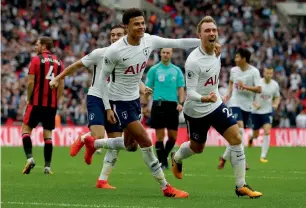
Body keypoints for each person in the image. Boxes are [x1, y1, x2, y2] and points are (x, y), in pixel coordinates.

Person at [80, 8, 213, 198]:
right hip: (119, 102)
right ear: (127, 27)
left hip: (134, 101)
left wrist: (204, 42)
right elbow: (102, 79)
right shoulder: (114, 51)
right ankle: (166, 187)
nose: (141, 26)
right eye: (137, 24)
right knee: (145, 141)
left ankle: (93, 143)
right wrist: (108, 107)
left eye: (143, 23)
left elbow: (178, 42)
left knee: (130, 145)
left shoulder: (148, 40)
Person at [170, 16, 262, 198]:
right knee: (197, 148)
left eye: (214, 30)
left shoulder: (217, 50)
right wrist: (204, 98)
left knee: (236, 137)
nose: (212, 33)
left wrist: (212, 98)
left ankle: (241, 185)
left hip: (216, 104)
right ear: (199, 35)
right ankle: (177, 157)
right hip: (196, 110)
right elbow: (191, 92)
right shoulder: (193, 61)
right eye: (207, 30)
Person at [49, 24, 150, 189]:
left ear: (126, 36)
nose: (115, 38)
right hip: (96, 96)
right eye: (112, 35)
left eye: (118, 35)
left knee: (115, 143)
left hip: (116, 100)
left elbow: (133, 77)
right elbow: (76, 66)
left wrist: (143, 87)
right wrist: (57, 78)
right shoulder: (99, 53)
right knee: (97, 135)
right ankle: (84, 139)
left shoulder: (130, 56)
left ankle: (102, 180)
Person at [22, 36, 64, 174]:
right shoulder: (59, 62)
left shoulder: (36, 60)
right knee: (48, 135)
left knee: (26, 130)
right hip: (51, 105)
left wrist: (29, 98)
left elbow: (30, 82)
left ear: (44, 46)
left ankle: (29, 159)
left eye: (37, 44)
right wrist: (55, 101)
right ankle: (47, 167)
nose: (35, 47)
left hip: (36, 102)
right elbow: (61, 86)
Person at [218, 47, 262, 169]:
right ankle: (242, 161)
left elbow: (259, 89)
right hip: (235, 102)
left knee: (237, 135)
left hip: (247, 105)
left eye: (237, 57)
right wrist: (228, 94)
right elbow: (231, 82)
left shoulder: (254, 72)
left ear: (244, 59)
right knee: (240, 131)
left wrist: (246, 87)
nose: (235, 59)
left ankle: (225, 157)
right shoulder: (234, 70)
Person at [144, 48, 185, 169]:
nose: (166, 55)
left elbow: (181, 88)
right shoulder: (154, 69)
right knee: (160, 136)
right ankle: (163, 162)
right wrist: (145, 105)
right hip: (159, 104)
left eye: (168, 53)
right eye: (164, 52)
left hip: (173, 105)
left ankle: (163, 158)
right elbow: (147, 88)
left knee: (173, 137)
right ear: (160, 54)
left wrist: (181, 102)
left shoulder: (177, 70)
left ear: (171, 54)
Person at [249, 67, 280, 163]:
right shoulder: (258, 83)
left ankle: (263, 156)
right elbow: (249, 95)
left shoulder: (275, 85)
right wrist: (254, 104)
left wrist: (276, 104)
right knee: (256, 134)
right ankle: (251, 138)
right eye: (267, 73)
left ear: (273, 73)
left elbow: (277, 96)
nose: (269, 75)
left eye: (270, 73)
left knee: (267, 131)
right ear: (264, 72)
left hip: (267, 112)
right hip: (256, 112)